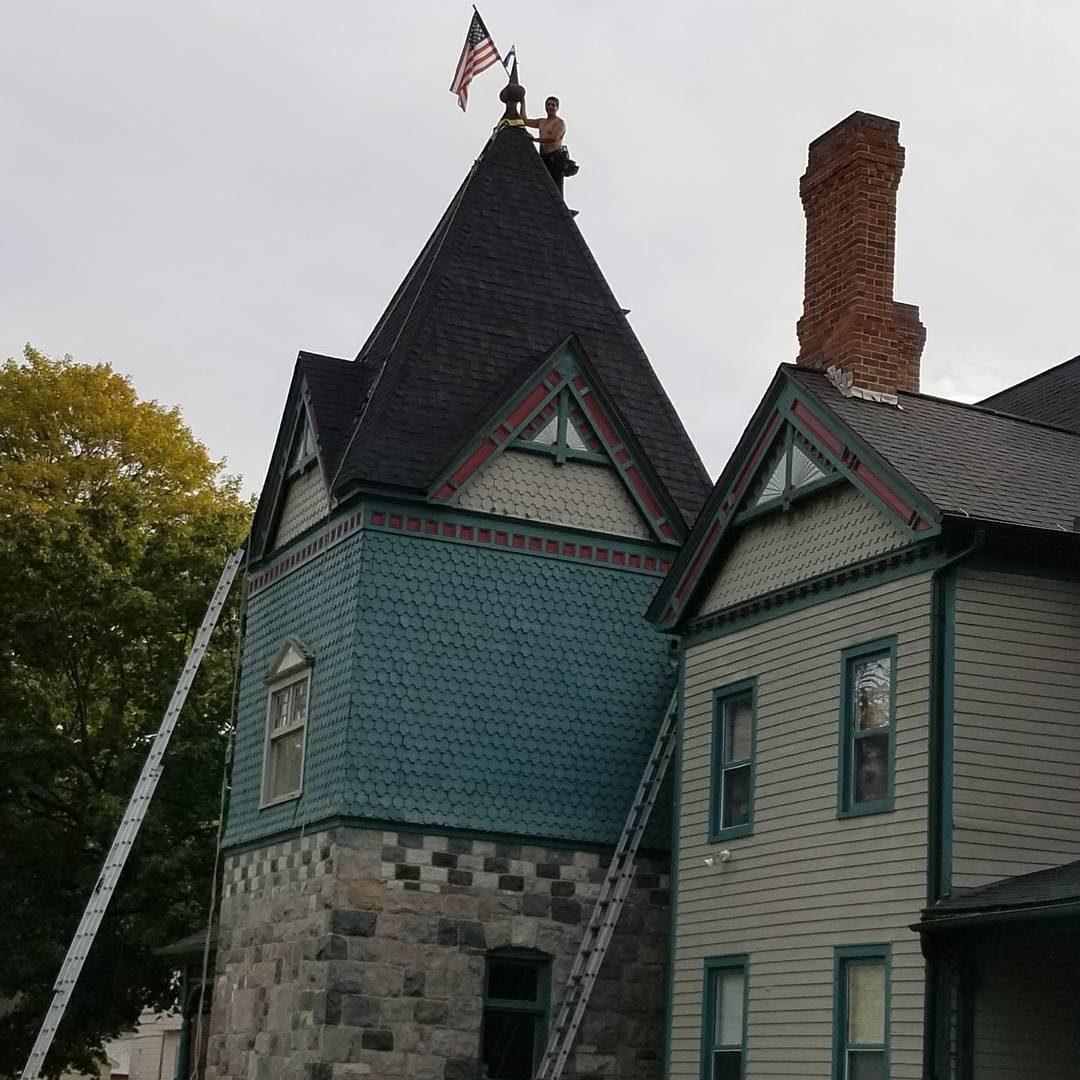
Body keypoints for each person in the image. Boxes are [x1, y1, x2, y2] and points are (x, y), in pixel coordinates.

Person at [522, 94, 575, 193]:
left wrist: (535, 140)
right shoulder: (542, 122)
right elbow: (524, 120)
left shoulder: (559, 123)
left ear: (557, 108)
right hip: (544, 158)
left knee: (556, 188)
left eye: (553, 105)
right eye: (548, 104)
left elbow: (553, 138)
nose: (550, 107)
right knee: (542, 186)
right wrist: (522, 101)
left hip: (555, 159)